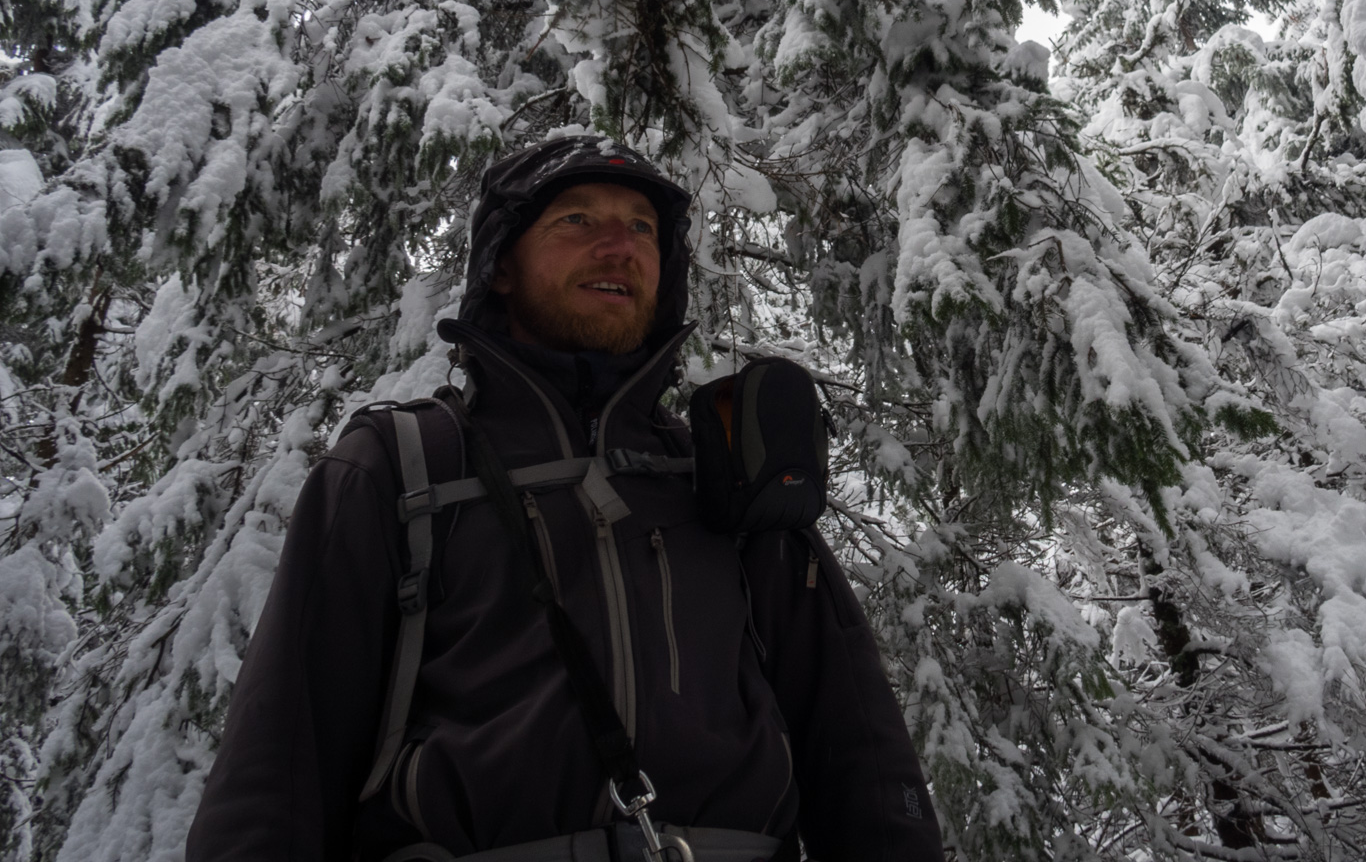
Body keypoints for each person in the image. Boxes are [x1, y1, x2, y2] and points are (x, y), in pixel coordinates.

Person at [185, 136, 943, 862]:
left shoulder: (723, 472)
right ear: (501, 265)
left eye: (642, 228)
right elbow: (281, 759)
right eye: (578, 220)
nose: (619, 246)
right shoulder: (401, 466)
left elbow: (856, 741)